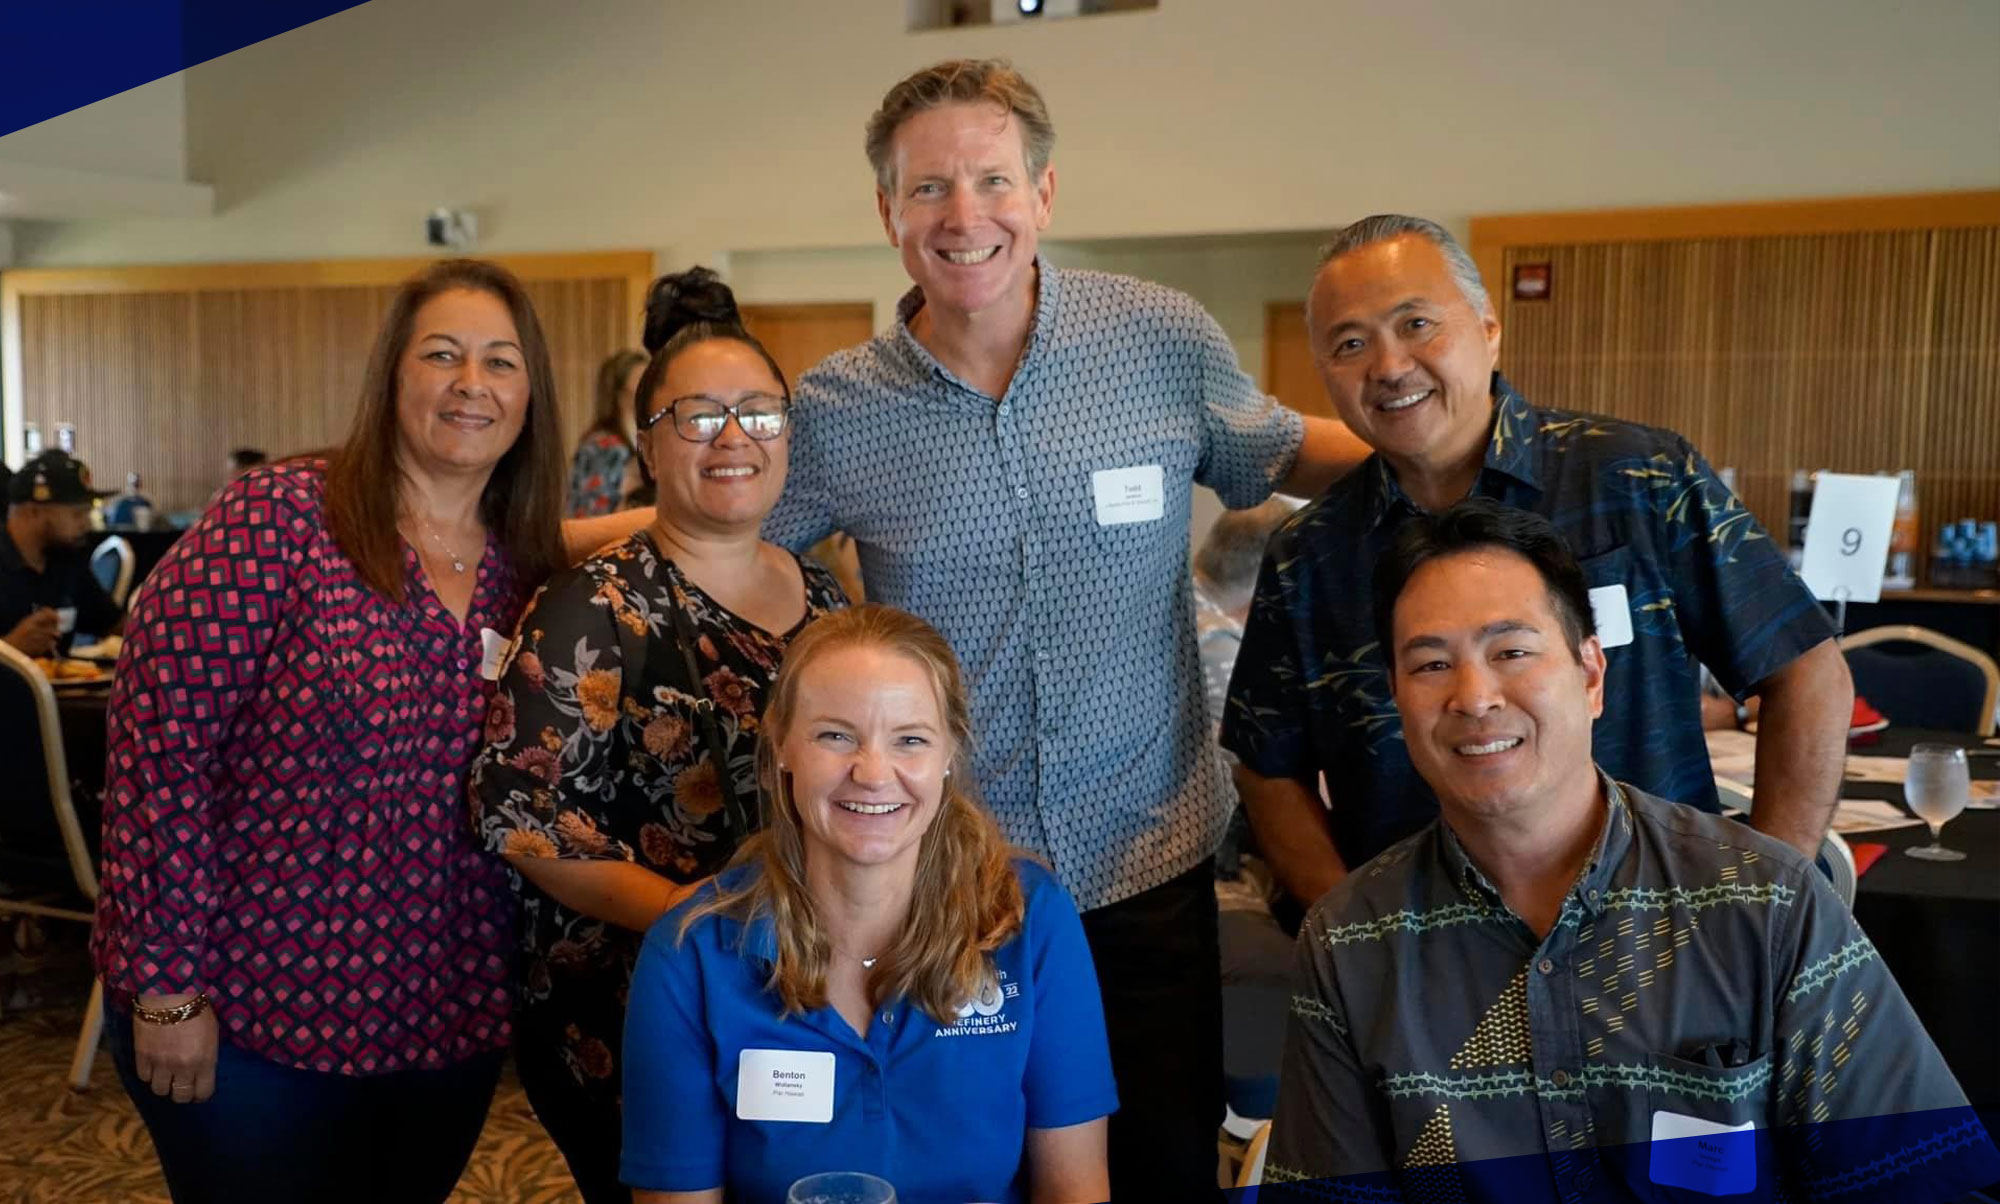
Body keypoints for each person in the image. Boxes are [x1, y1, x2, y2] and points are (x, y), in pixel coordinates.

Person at [762, 59, 1367, 1199]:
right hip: (945, 875)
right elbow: (718, 534)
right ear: (888, 213)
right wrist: (503, 517)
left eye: (992, 179)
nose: (964, 214)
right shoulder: (838, 412)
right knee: (962, 1171)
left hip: (1147, 862)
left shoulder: (1157, 339)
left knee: (1157, 1167)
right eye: (928, 187)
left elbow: (1285, 450)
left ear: (1042, 193)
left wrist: (1471, 439)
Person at [1264, 498, 1998, 1202]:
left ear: (1591, 675)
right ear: (1397, 698)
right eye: (1431, 665)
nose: (1475, 697)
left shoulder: (1764, 903)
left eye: (1512, 651)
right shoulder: (1352, 942)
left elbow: (1907, 1181)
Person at [91, 259, 585, 1204]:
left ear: (532, 397)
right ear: (392, 375)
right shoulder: (279, 519)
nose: (471, 384)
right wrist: (166, 987)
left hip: (443, 1020)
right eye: (440, 355)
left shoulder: (528, 565)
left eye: (500, 362)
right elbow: (161, 756)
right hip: (247, 1016)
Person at [1224, 214, 1852, 920]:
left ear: (1488, 328)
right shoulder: (1309, 554)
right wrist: (1352, 931)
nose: (1390, 366)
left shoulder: (1637, 479)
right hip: (1424, 950)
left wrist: (1766, 904)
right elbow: (1267, 764)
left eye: (1417, 324)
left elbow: (1805, 669)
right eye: (1350, 344)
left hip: (1659, 930)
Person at [470, 268, 846, 1204]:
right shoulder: (592, 604)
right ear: (646, 444)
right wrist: (707, 922)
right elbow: (529, 824)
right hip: (641, 1001)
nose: (733, 437)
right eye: (698, 415)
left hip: (802, 988)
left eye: (759, 413)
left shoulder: (824, 596)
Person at [621, 604, 1117, 1204]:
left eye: (910, 740)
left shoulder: (1027, 917)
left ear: (949, 754)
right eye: (836, 735)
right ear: (781, 746)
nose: (874, 773)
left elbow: (1074, 1188)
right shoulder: (690, 953)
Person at [1, 450, 121, 657]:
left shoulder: (66, 560)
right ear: (33, 512)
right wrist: (10, 649)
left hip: (60, 678)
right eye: (77, 514)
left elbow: (115, 624)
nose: (86, 524)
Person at [570, 348, 650, 517]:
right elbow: (591, 517)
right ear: (620, 392)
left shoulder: (642, 439)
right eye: (642, 379)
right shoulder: (602, 447)